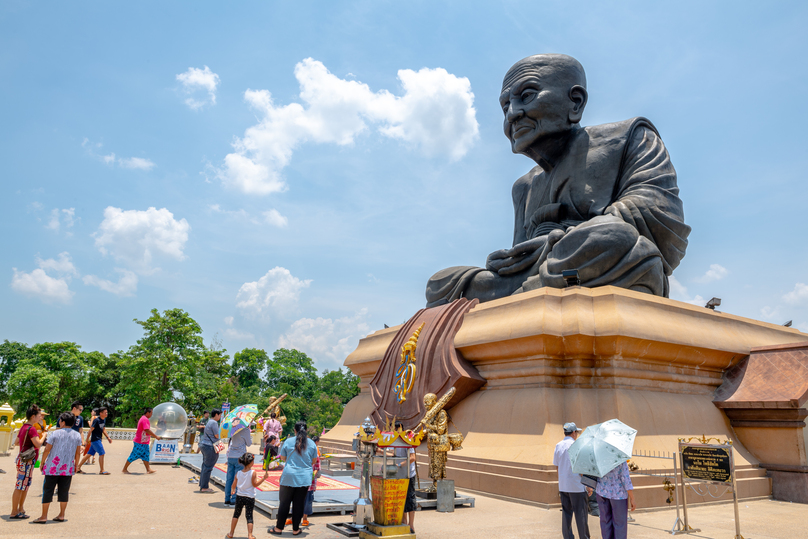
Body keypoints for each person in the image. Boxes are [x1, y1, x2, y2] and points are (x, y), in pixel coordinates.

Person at [425, 54, 690, 306]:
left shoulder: (630, 137)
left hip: (602, 261)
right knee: (442, 282)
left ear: (575, 102)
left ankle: (515, 301)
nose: (512, 114)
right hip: (548, 271)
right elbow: (524, 255)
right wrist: (510, 262)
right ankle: (524, 296)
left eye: (526, 96)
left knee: (613, 238)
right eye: (505, 106)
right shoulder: (524, 186)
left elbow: (663, 220)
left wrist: (557, 239)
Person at [32, 412, 83, 524]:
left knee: (48, 491)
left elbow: (47, 449)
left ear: (63, 422)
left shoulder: (55, 434)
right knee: (64, 492)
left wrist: (42, 462)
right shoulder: (77, 435)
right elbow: (78, 453)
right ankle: (61, 515)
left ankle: (44, 516)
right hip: (68, 468)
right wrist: (76, 465)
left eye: (60, 420)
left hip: (52, 467)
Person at [269, 421, 318, 536]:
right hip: (304, 478)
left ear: (295, 430)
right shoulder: (312, 444)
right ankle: (296, 529)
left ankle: (279, 528)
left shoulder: (288, 441)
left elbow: (283, 457)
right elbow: (314, 461)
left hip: (289, 476)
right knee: (299, 504)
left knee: (284, 503)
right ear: (306, 431)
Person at [10, 404, 46, 520]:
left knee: (24, 485)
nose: (40, 417)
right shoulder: (31, 429)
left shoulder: (23, 427)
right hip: (27, 461)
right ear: (33, 417)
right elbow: (38, 444)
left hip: (23, 459)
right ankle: (14, 511)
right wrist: (44, 435)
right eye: (39, 415)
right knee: (20, 485)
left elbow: (16, 442)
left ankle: (20, 509)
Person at [553, 422, 589, 539]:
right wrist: (588, 485)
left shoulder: (558, 445)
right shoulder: (576, 445)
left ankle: (568, 537)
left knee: (566, 514)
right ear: (573, 433)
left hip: (563, 486)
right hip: (576, 486)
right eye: (577, 432)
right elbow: (580, 468)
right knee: (581, 515)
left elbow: (557, 467)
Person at [587, 461, 636, 539]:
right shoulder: (620, 457)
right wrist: (632, 498)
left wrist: (589, 486)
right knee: (620, 524)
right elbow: (626, 479)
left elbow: (592, 471)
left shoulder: (598, 455)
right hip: (618, 495)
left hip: (602, 492)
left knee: (605, 522)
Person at [226, 452, 268, 539]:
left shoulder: (238, 473)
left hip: (239, 496)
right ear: (251, 462)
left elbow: (233, 484)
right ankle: (250, 535)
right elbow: (255, 484)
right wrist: (264, 478)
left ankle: (231, 533)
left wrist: (233, 490)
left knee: (236, 514)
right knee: (249, 516)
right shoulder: (253, 473)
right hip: (249, 497)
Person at [287, 434, 321, 528]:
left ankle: (305, 518)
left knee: (307, 501)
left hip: (309, 482)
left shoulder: (315, 455)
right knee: (295, 499)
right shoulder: (298, 453)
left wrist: (313, 473)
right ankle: (293, 518)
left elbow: (317, 467)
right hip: (298, 480)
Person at [122, 407, 162, 474]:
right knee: (134, 455)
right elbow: (147, 430)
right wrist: (156, 436)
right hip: (140, 442)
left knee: (146, 455)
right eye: (151, 413)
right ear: (147, 413)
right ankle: (124, 469)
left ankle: (148, 469)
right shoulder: (144, 419)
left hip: (144, 442)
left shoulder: (145, 419)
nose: (152, 414)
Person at [394, 424, 418, 534]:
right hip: (400, 475)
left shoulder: (408, 441)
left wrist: (400, 465)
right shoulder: (394, 442)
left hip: (409, 475)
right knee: (401, 498)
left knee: (410, 498)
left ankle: (411, 525)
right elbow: (394, 455)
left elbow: (412, 458)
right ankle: (404, 522)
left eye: (396, 430)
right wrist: (380, 452)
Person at [224, 420, 253, 506]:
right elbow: (249, 444)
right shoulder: (245, 430)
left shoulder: (233, 429)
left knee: (229, 478)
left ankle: (227, 499)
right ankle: (233, 500)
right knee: (237, 478)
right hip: (240, 457)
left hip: (231, 456)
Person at [76, 407, 112, 474]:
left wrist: (108, 437)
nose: (106, 413)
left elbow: (103, 429)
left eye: (107, 412)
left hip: (97, 440)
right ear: (100, 413)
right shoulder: (96, 420)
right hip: (95, 440)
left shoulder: (103, 420)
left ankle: (78, 468)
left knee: (89, 454)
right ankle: (102, 470)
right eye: (105, 412)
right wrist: (86, 441)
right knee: (102, 453)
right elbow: (90, 430)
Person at [198, 409, 221, 493]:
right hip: (210, 446)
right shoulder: (214, 423)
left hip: (204, 445)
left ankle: (202, 485)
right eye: (220, 415)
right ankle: (204, 487)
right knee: (208, 467)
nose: (220, 417)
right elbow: (216, 435)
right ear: (216, 414)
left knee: (205, 466)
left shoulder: (209, 421)